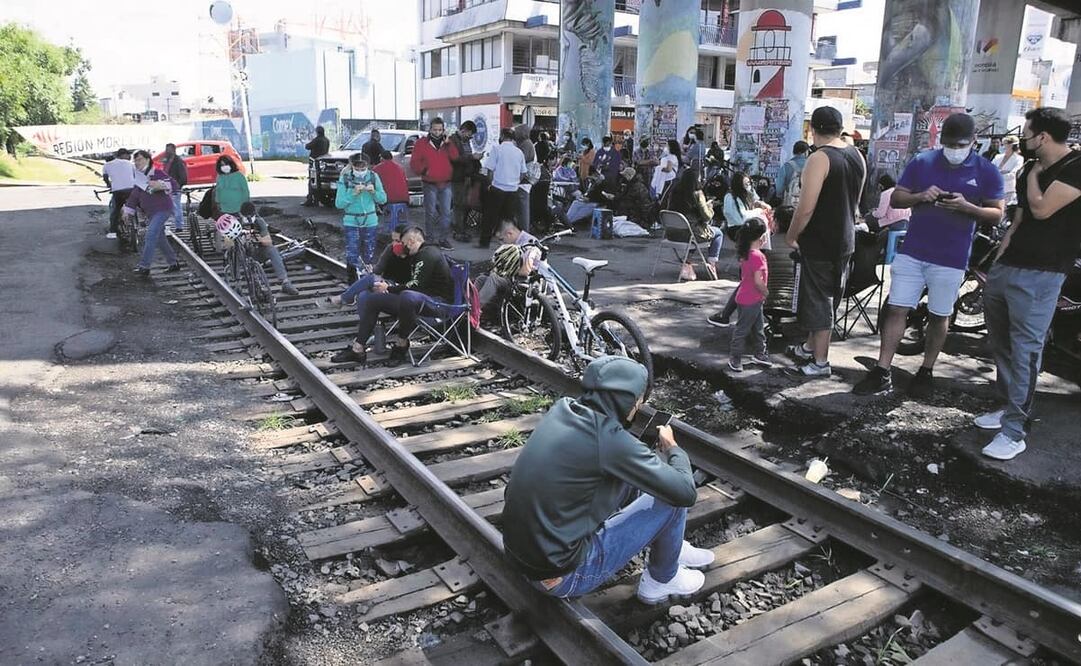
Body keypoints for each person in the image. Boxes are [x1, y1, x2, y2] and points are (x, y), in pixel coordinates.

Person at [503, 355, 713, 605]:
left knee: (635, 476)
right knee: (671, 499)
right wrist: (672, 448)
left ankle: (672, 547)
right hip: (563, 577)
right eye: (638, 400)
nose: (639, 406)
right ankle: (662, 579)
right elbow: (685, 492)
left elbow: (608, 449)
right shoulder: (611, 442)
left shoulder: (563, 409)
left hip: (520, 556)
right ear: (627, 401)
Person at [852, 112, 1004, 395]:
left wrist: (967, 207)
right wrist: (921, 197)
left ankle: (926, 370)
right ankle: (883, 369)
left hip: (952, 256)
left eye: (960, 145)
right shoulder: (923, 162)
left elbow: (997, 213)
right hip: (914, 251)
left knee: (939, 314)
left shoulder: (986, 170)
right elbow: (898, 197)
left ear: (973, 142)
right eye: (949, 144)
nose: (954, 151)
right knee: (897, 308)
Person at [977, 107, 1081, 461]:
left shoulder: (1075, 168)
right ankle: (1006, 406)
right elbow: (1020, 219)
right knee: (1001, 342)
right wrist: (998, 260)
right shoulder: (1026, 170)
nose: (1023, 139)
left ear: (1043, 137)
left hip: (1044, 272)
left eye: (1027, 133)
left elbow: (1041, 209)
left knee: (1025, 350)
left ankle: (1015, 430)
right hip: (1010, 266)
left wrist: (1035, 173)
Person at [784, 106, 867, 377]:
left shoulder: (820, 158)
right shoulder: (856, 155)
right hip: (845, 237)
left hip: (820, 240)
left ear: (813, 130)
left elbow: (805, 207)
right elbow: (855, 200)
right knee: (830, 297)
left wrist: (792, 235)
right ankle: (810, 347)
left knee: (819, 300)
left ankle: (820, 362)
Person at [330, 226, 453, 365]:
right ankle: (357, 349)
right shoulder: (418, 254)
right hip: (419, 301)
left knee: (408, 296)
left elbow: (416, 285)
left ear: (411, 241)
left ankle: (401, 345)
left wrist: (389, 288)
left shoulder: (428, 254)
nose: (403, 247)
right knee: (373, 299)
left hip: (437, 304)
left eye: (404, 244)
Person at [325, 224, 414, 309]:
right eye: (393, 240)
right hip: (389, 285)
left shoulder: (416, 255)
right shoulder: (390, 249)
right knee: (364, 294)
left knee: (371, 279)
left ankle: (343, 298)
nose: (394, 244)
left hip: (405, 291)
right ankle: (366, 323)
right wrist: (372, 270)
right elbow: (378, 270)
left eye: (398, 241)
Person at [123, 150, 180, 277]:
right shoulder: (138, 178)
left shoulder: (157, 173)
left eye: (140, 159)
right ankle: (173, 263)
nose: (137, 162)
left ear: (148, 159)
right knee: (160, 238)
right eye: (135, 160)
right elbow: (134, 197)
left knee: (151, 234)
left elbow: (174, 184)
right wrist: (127, 211)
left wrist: (161, 184)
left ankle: (144, 267)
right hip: (151, 212)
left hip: (163, 209)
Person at [728, 218, 772, 372]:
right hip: (752, 299)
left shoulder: (745, 253)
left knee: (758, 327)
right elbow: (758, 281)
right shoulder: (758, 256)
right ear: (762, 237)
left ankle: (760, 352)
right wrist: (766, 293)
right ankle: (735, 357)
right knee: (744, 329)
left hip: (747, 298)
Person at [336, 153, 387, 281]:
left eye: (363, 168)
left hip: (370, 220)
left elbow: (383, 199)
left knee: (369, 254)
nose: (360, 171)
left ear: (368, 166)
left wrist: (374, 192)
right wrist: (353, 194)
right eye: (357, 168)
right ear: (352, 166)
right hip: (351, 220)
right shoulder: (345, 178)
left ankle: (368, 281)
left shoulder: (374, 177)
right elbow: (339, 204)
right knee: (352, 253)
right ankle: (353, 283)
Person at [410, 117, 458, 250]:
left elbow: (455, 157)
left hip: (446, 183)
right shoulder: (421, 143)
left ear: (444, 130)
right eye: (435, 129)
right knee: (430, 212)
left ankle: (443, 239)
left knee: (446, 213)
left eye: (440, 130)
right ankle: (430, 239)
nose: (437, 132)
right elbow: (414, 162)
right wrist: (424, 170)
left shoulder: (448, 143)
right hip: (429, 183)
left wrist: (449, 144)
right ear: (430, 129)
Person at [475, 218, 540, 314]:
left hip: (527, 282)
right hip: (514, 279)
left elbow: (525, 271)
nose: (501, 243)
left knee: (494, 278)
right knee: (481, 279)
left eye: (502, 239)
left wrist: (504, 271)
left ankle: (475, 310)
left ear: (509, 233)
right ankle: (469, 304)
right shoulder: (514, 243)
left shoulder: (529, 242)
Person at [236, 201, 299, 295]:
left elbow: (268, 241)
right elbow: (228, 243)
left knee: (272, 249)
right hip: (243, 253)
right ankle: (240, 283)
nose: (249, 219)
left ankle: (285, 282)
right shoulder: (236, 223)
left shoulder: (259, 221)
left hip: (258, 250)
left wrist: (257, 238)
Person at [669, 168, 722, 278]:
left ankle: (687, 263)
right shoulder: (697, 194)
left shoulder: (674, 192)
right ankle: (712, 263)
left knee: (692, 236)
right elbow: (707, 216)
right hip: (692, 233)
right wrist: (710, 207)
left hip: (673, 233)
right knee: (718, 233)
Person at [481, 128, 528, 248]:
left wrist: (490, 183)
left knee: (490, 216)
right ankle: (509, 243)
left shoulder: (497, 149)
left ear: (502, 136)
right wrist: (516, 181)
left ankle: (485, 242)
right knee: (509, 219)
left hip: (498, 188)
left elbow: (490, 169)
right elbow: (523, 172)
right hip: (513, 190)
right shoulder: (519, 152)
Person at [448, 120, 479, 239]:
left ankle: (461, 227)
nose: (471, 137)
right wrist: (472, 157)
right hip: (457, 177)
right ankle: (458, 229)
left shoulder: (466, 141)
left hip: (466, 176)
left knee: (465, 204)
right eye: (470, 134)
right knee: (458, 204)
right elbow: (455, 158)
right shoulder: (453, 140)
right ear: (464, 130)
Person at [102, 147, 136, 240]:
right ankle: (140, 221)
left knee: (115, 210)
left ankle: (113, 231)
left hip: (117, 191)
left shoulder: (106, 165)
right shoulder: (130, 163)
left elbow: (105, 178)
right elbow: (135, 176)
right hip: (131, 189)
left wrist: (109, 184)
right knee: (136, 204)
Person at [372, 150, 409, 233]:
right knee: (402, 224)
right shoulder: (400, 167)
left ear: (381, 158)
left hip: (388, 199)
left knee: (389, 224)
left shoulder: (377, 169)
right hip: (403, 198)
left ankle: (389, 236)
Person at [514, 124, 537, 233]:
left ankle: (524, 231)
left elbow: (520, 161)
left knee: (522, 208)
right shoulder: (526, 144)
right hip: (524, 179)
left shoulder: (526, 144)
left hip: (523, 180)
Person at [992, 135, 1023, 214]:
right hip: (994, 188)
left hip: (1008, 190)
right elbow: (990, 170)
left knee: (1004, 212)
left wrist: (998, 174)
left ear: (1011, 145)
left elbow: (1013, 174)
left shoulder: (1019, 159)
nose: (1003, 146)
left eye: (1005, 144)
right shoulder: (998, 157)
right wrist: (1004, 172)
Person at [161, 143, 188, 231]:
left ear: (173, 150)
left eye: (168, 149)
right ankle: (170, 224)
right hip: (167, 186)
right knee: (167, 206)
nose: (167, 151)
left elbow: (183, 175)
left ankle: (179, 226)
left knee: (176, 206)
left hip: (175, 187)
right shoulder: (167, 161)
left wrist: (178, 185)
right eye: (166, 149)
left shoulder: (178, 161)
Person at [773, 141, 808, 208]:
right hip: (807, 201)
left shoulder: (786, 166)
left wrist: (779, 196)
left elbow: (779, 187)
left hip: (790, 201)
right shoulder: (811, 165)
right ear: (806, 152)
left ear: (793, 152)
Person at [304, 126, 331, 206]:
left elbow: (307, 146)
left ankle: (311, 200)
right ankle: (317, 199)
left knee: (312, 181)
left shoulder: (317, 140)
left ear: (317, 132)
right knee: (318, 181)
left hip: (314, 162)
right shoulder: (326, 140)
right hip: (322, 163)